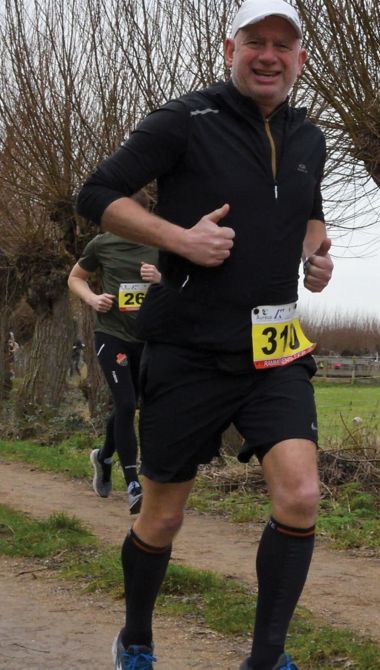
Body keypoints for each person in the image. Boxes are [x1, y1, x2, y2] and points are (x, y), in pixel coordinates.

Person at [76, 1, 332, 668]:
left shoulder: (310, 136)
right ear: (230, 49)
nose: (269, 55)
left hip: (273, 349)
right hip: (188, 347)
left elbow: (309, 214)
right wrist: (178, 238)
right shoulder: (184, 120)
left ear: (300, 58)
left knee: (301, 495)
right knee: (161, 517)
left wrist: (316, 254)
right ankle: (136, 634)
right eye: (256, 42)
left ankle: (265, 656)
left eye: (283, 44)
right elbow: (97, 192)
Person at [68, 190, 161, 514]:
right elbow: (75, 277)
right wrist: (92, 299)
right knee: (124, 402)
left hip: (148, 339)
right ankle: (133, 483)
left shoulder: (162, 244)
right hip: (111, 334)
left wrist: (160, 279)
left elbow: (184, 288)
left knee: (135, 405)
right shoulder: (102, 244)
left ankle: (104, 456)